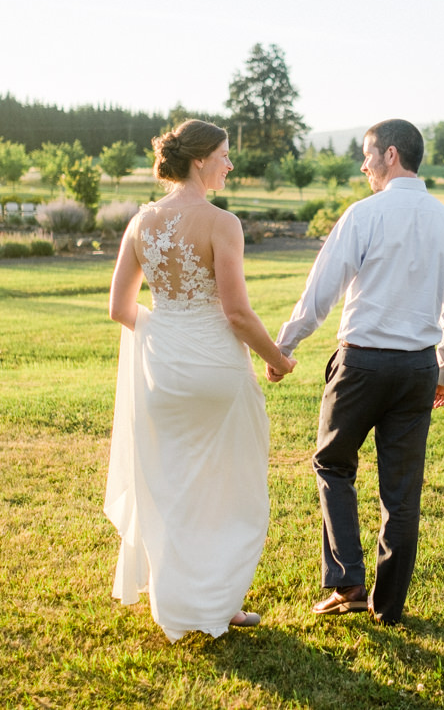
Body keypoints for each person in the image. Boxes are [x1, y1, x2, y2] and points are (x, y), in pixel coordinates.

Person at [269, 118, 444, 625]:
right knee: (402, 491)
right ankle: (389, 608)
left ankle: (347, 582)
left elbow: (321, 292)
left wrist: (283, 348)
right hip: (419, 368)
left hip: (361, 364)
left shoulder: (364, 214)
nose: (363, 165)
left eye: (368, 155)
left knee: (332, 464)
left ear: (392, 155)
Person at [104, 119, 296, 642]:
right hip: (217, 371)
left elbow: (120, 309)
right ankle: (217, 601)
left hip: (163, 371)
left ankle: (181, 601)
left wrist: (165, 329)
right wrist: (278, 358)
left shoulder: (140, 223)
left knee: (172, 486)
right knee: (230, 486)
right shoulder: (221, 223)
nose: (230, 165)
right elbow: (236, 312)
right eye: (225, 155)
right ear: (200, 160)